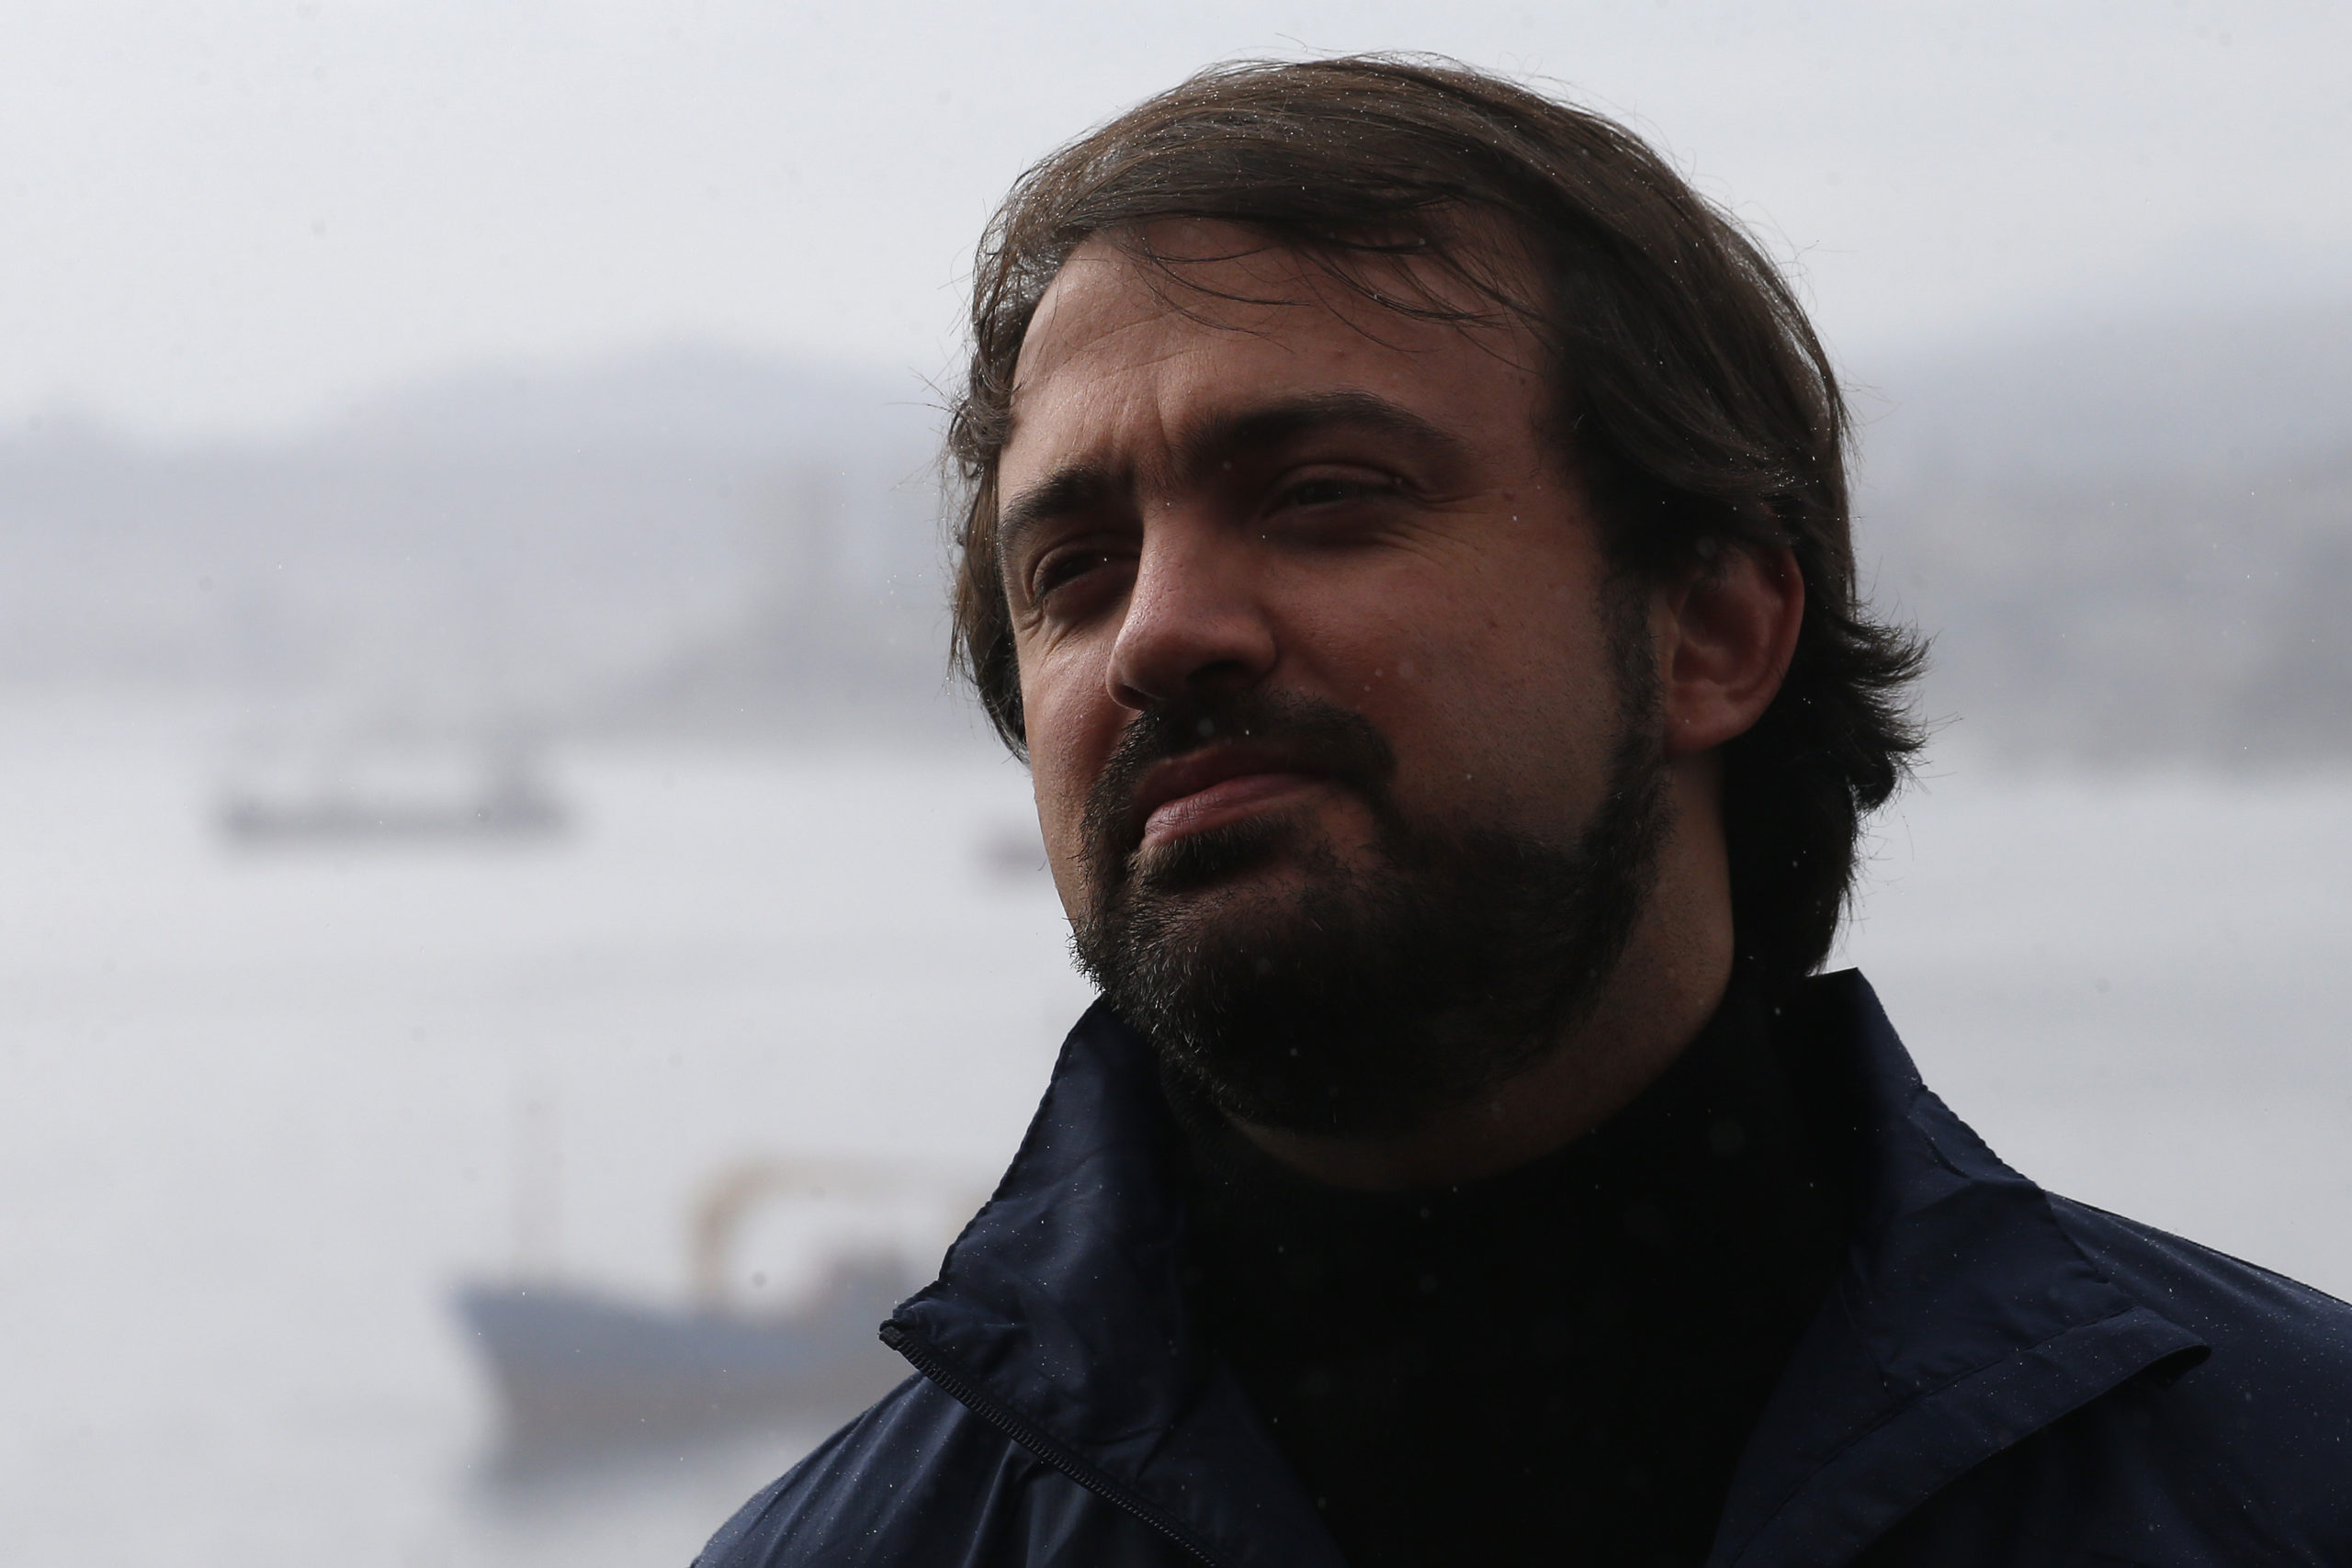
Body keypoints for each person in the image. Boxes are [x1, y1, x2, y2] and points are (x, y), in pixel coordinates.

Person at [698, 56, 2352, 1567]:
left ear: (1713, 633)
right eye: (1075, 571)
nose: (1159, 633)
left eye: (1323, 496)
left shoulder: (2287, 1486)